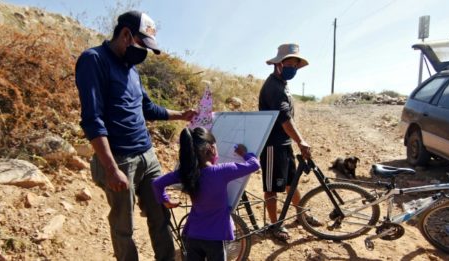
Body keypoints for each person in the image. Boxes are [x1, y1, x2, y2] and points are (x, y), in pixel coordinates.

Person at [75, 10, 196, 261]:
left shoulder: (132, 70)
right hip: (119, 160)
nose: (145, 52)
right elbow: (92, 119)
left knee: (160, 216)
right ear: (126, 34)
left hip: (147, 155)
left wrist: (181, 115)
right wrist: (110, 168)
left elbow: (147, 108)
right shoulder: (93, 60)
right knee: (123, 227)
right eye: (143, 44)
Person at [152, 127, 260, 261]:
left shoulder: (186, 173)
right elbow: (254, 165)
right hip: (215, 238)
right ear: (211, 149)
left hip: (192, 235)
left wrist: (166, 201)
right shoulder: (222, 171)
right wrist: (244, 154)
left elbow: (157, 183)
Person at [258, 43, 321, 242]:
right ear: (278, 64)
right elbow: (285, 119)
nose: (293, 68)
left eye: (296, 64)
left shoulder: (283, 85)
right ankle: (274, 225)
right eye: (290, 64)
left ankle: (301, 214)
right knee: (271, 188)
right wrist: (301, 141)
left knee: (290, 184)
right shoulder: (272, 87)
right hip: (271, 145)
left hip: (284, 144)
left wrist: (296, 141)